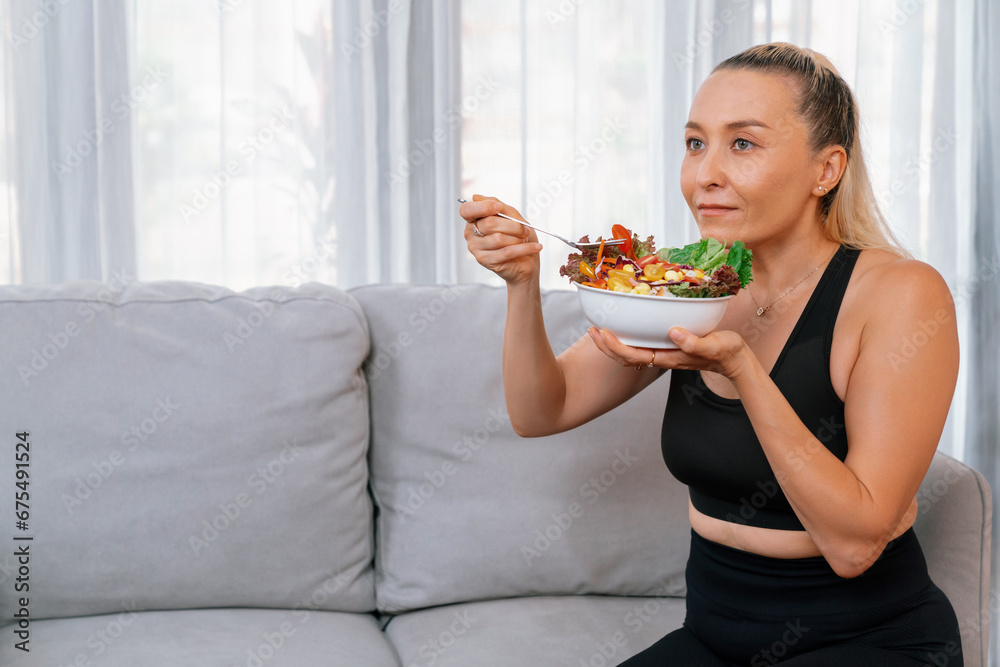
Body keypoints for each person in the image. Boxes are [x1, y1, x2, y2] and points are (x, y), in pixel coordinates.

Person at [459, 42, 963, 666]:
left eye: (742, 144)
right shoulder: (686, 282)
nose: (705, 175)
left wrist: (742, 370)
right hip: (714, 640)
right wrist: (522, 285)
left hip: (867, 642)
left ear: (825, 170)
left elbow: (855, 545)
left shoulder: (901, 295)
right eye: (696, 143)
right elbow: (542, 410)